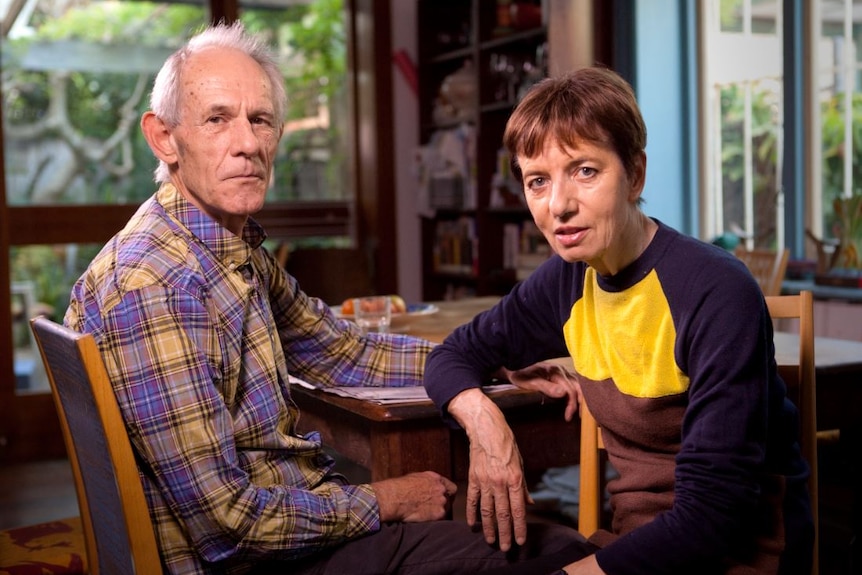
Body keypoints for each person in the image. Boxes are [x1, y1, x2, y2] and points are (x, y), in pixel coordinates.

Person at [64, 21, 589, 575]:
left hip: (287, 526)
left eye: (260, 120)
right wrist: (388, 499)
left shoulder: (226, 248)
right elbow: (227, 525)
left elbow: (345, 352)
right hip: (257, 563)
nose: (246, 143)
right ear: (164, 137)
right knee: (562, 552)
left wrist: (489, 367)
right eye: (217, 119)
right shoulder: (160, 286)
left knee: (524, 537)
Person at [423, 66, 814, 575]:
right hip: (632, 545)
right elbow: (452, 356)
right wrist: (483, 421)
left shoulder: (716, 291)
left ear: (635, 174)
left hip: (738, 555)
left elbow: (713, 518)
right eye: (537, 181)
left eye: (585, 171)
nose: (559, 205)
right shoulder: (567, 280)